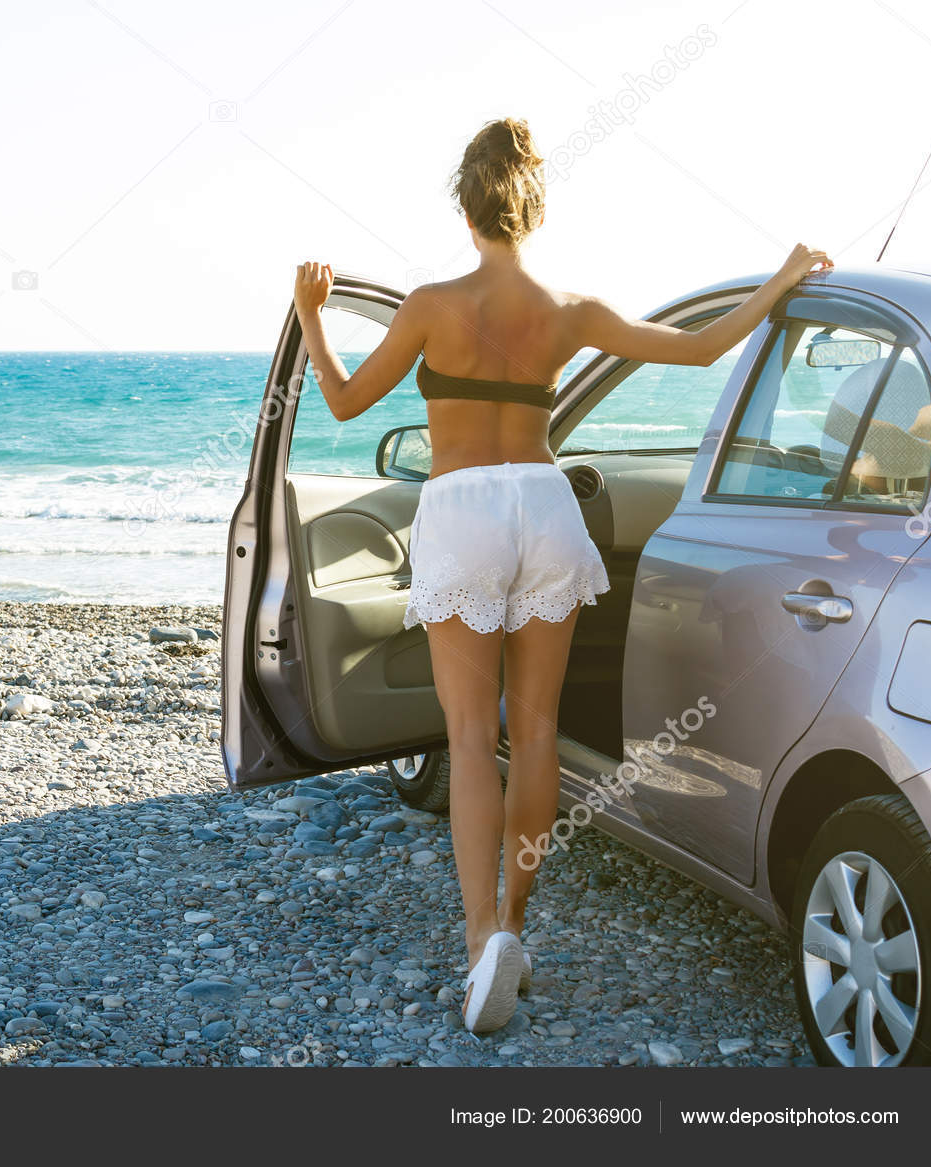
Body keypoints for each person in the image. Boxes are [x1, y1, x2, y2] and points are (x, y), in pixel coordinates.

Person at [291, 116, 833, 1033]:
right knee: (535, 731)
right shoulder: (572, 310)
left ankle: (476, 947)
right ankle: (514, 925)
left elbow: (344, 401)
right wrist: (779, 282)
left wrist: (312, 310)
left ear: (467, 209)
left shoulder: (429, 303)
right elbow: (701, 349)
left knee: (471, 740)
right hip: (545, 506)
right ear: (532, 211)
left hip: (461, 508)